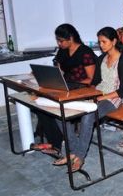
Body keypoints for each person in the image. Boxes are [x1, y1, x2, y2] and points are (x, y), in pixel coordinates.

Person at [53, 27, 123, 172]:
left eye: (104, 42)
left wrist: (100, 97)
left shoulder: (122, 60)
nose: (101, 45)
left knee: (88, 116)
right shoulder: (102, 58)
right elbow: (94, 81)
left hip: (114, 98)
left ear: (114, 41)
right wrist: (84, 94)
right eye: (99, 42)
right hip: (98, 94)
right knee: (60, 113)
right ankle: (73, 151)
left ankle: (80, 156)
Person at [30, 24, 97, 157]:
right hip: (66, 87)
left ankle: (57, 144)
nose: (59, 43)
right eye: (57, 40)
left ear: (70, 38)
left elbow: (91, 80)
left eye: (61, 40)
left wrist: (70, 83)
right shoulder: (63, 51)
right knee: (41, 106)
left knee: (52, 107)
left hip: (81, 89)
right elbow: (59, 71)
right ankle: (56, 142)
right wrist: (49, 76)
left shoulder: (85, 53)